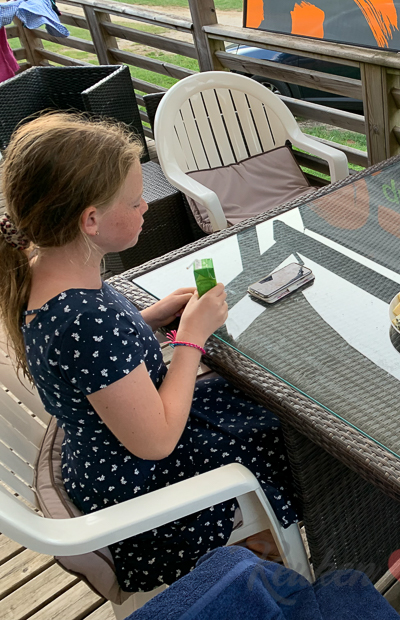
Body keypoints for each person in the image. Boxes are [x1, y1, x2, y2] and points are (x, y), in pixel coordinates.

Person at [0, 113, 297, 592]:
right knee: (286, 437)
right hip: (143, 490)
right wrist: (191, 336)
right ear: (90, 220)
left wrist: (149, 318)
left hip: (107, 448)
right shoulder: (83, 321)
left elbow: (94, 362)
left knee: (260, 407)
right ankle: (264, 555)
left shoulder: (47, 273)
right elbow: (156, 442)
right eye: (135, 200)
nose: (145, 207)